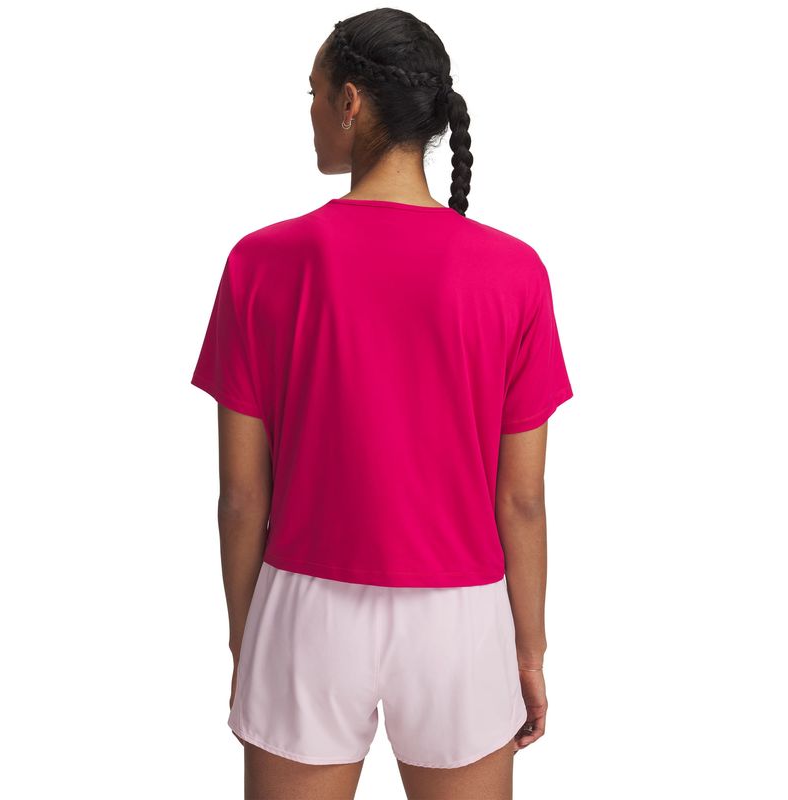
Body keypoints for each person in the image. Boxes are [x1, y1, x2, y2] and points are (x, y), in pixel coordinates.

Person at [190, 9, 574, 800]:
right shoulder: (513, 272)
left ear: (350, 101)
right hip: (462, 615)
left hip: (305, 605)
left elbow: (242, 496)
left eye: (313, 91)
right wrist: (529, 649)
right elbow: (522, 499)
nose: (309, 109)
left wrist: (247, 639)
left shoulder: (261, 262)